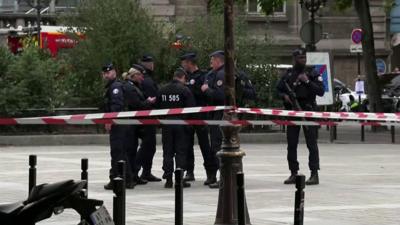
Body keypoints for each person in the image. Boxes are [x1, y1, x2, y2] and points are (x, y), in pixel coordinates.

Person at [276, 47, 325, 185]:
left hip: (309, 110)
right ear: (294, 59)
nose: (302, 60)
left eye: (304, 57)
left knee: (312, 143)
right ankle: (293, 172)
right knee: (291, 143)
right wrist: (284, 96)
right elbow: (278, 90)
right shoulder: (288, 74)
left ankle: (314, 173)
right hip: (293, 111)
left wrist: (307, 82)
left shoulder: (312, 73)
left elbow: (321, 91)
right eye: (300, 58)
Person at [180, 52, 219, 184]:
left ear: (189, 62)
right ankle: (189, 171)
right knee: (187, 145)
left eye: (183, 62)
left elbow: (205, 94)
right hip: (188, 116)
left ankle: (210, 173)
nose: (182, 64)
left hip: (201, 115)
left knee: (205, 146)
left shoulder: (203, 76)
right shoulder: (185, 77)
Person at [158, 68, 196, 188]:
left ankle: (168, 179)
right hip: (181, 124)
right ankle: (179, 178)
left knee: (167, 152)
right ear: (182, 78)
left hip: (166, 124)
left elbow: (157, 107)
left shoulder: (162, 90)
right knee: (180, 151)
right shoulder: (185, 90)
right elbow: (192, 108)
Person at [101, 63, 135, 190]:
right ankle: (123, 179)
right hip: (120, 123)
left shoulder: (115, 87)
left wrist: (110, 120)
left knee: (118, 152)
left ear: (114, 72)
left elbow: (116, 106)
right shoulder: (112, 86)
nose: (106, 75)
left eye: (108, 72)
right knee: (120, 152)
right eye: (104, 73)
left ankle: (121, 179)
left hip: (118, 124)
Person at [123, 64, 156, 186]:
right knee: (130, 150)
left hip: (137, 124)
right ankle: (131, 175)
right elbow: (136, 105)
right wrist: (148, 102)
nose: (142, 78)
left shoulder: (136, 86)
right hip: (131, 123)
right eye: (140, 76)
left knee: (136, 148)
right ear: (135, 75)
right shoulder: (129, 87)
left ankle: (134, 175)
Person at [201, 50, 226, 188]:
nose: (210, 63)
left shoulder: (221, 74)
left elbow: (220, 95)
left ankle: (223, 177)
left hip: (220, 114)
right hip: (215, 114)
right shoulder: (214, 73)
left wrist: (206, 90)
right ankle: (214, 176)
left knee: (217, 146)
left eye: (212, 61)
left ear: (218, 60)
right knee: (215, 146)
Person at [135, 55, 161, 182]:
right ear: (148, 64)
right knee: (147, 145)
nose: (152, 64)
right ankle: (137, 169)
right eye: (151, 62)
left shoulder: (146, 78)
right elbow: (154, 98)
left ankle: (146, 171)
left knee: (149, 146)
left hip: (146, 117)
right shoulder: (148, 80)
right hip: (147, 117)